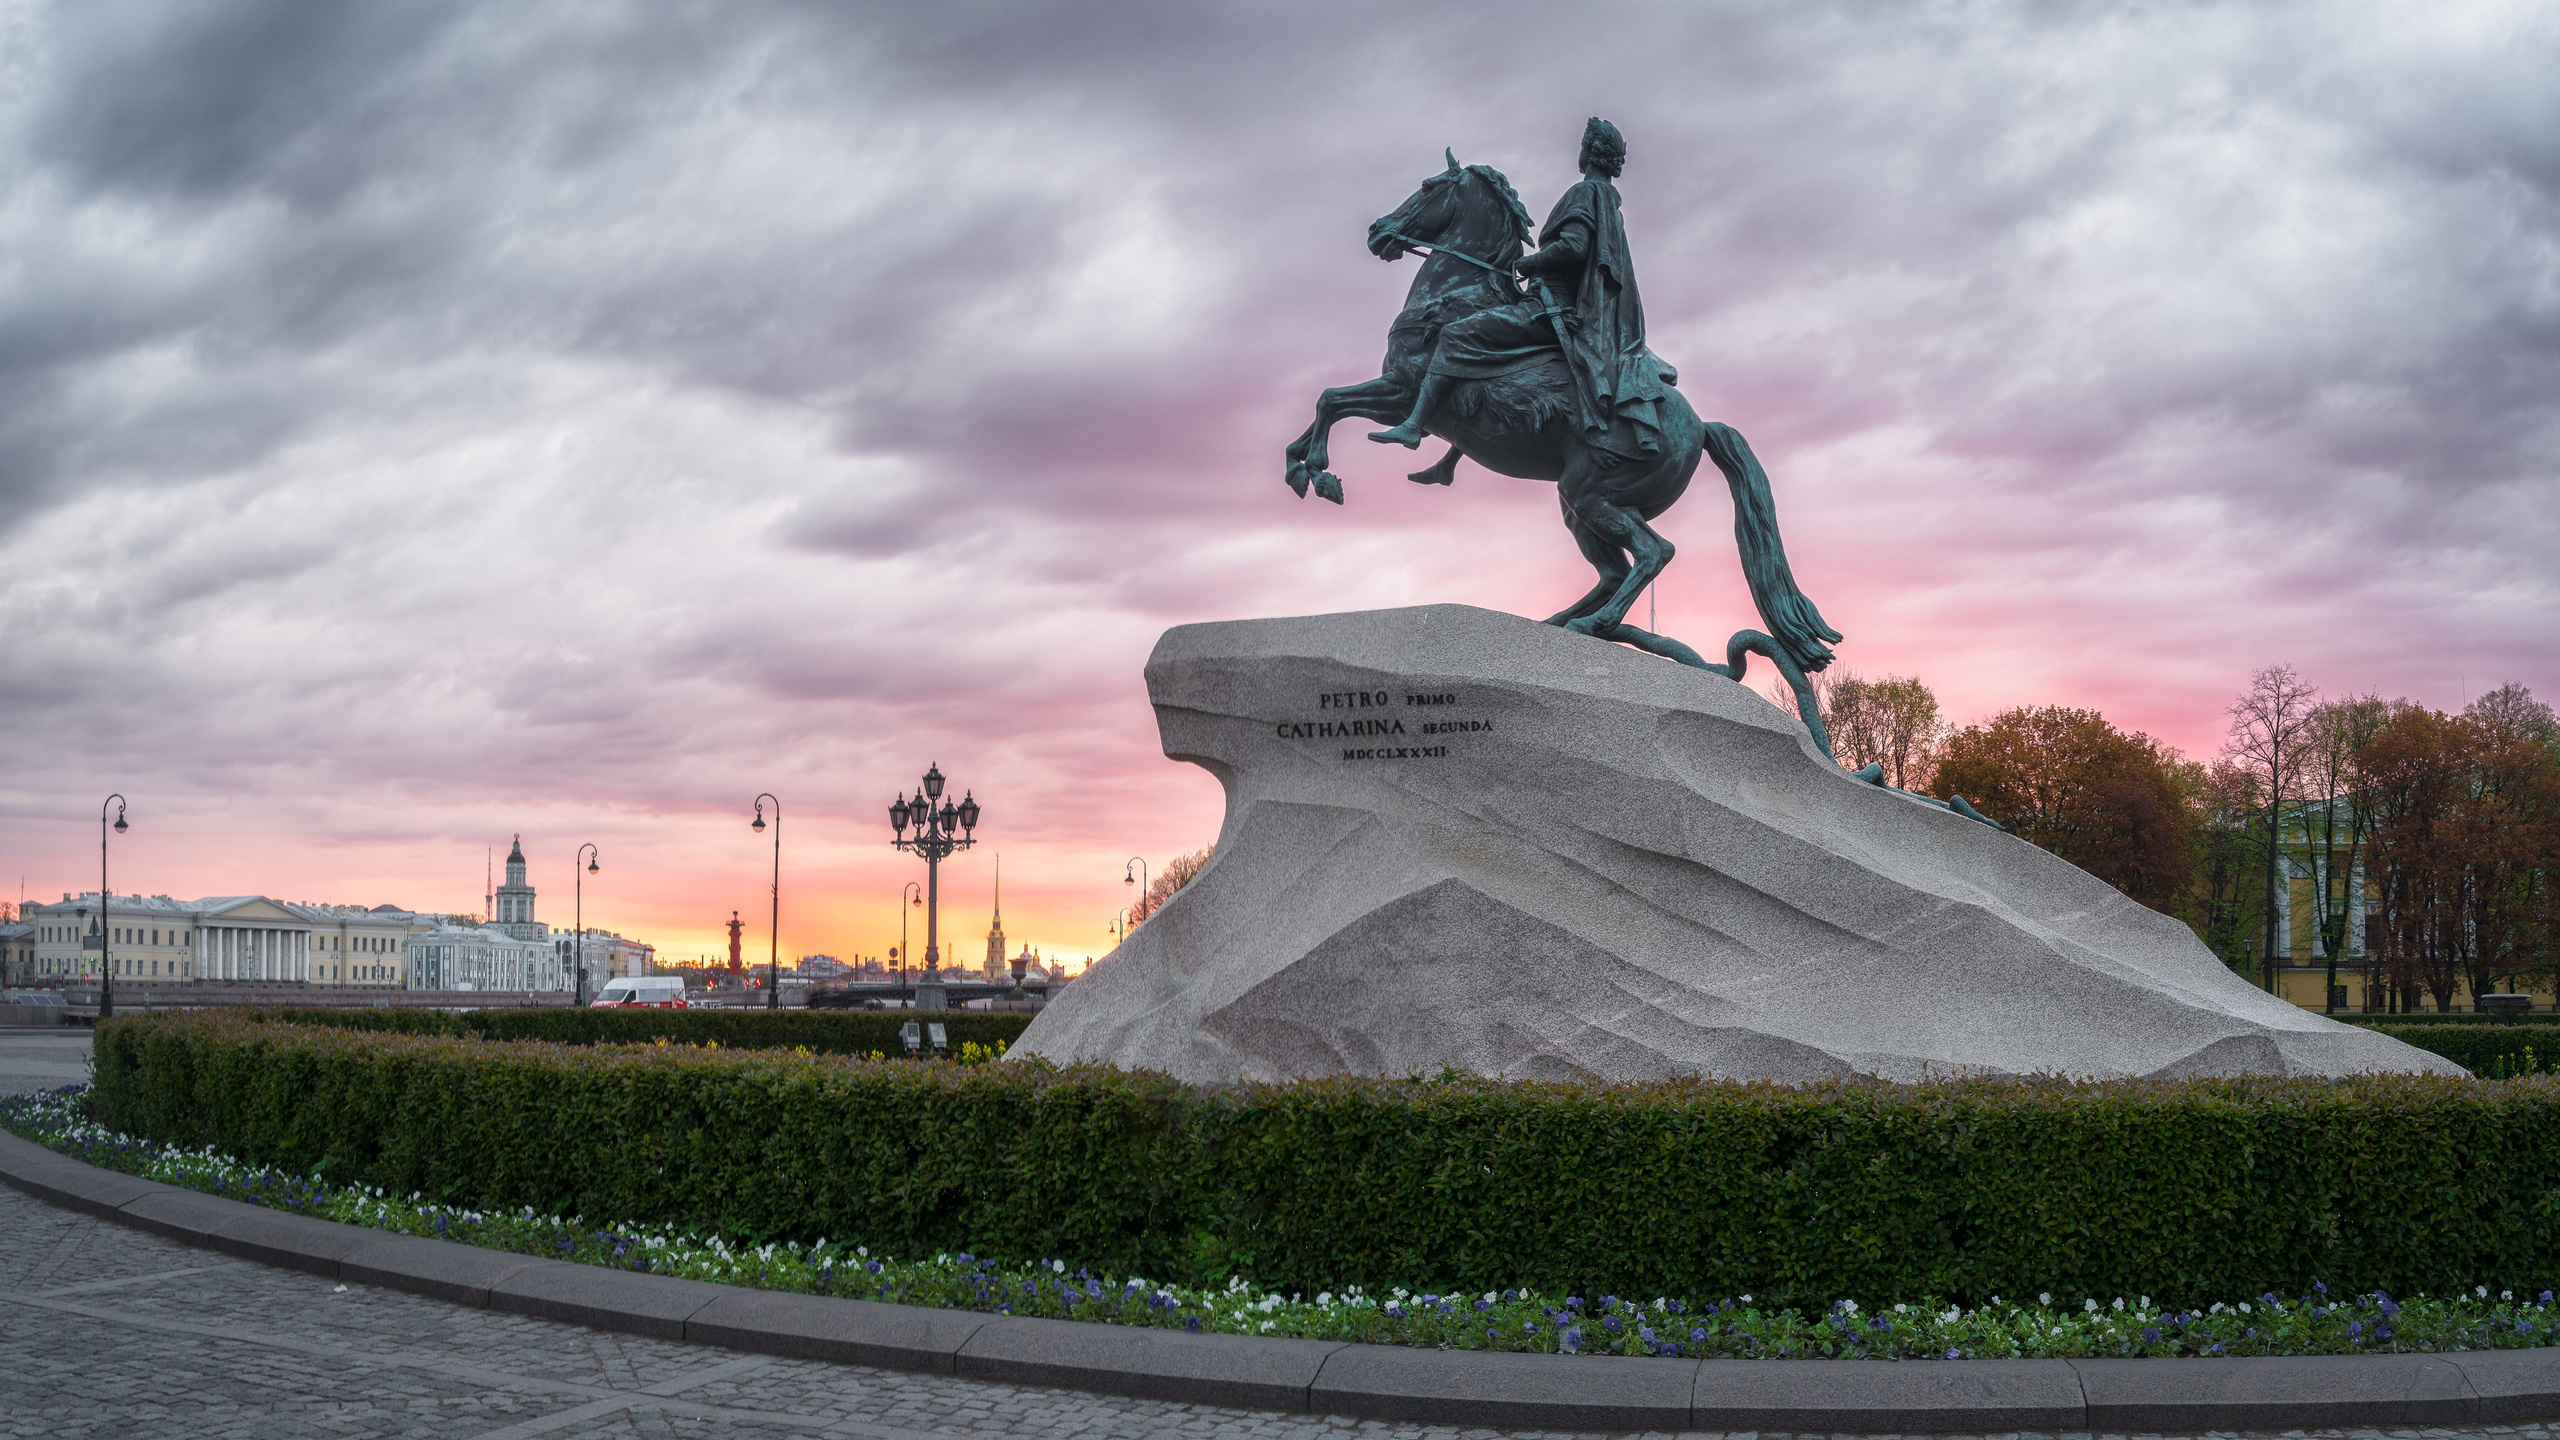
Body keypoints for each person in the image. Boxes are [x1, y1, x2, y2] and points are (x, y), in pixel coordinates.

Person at [1370, 117, 1673, 460]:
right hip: (1562, 304)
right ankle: (1452, 456)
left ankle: (1413, 425)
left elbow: (1574, 246)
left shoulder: (1585, 192)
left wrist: (1531, 263)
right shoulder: (1608, 203)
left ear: (1588, 152)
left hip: (1549, 307)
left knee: (1456, 335)